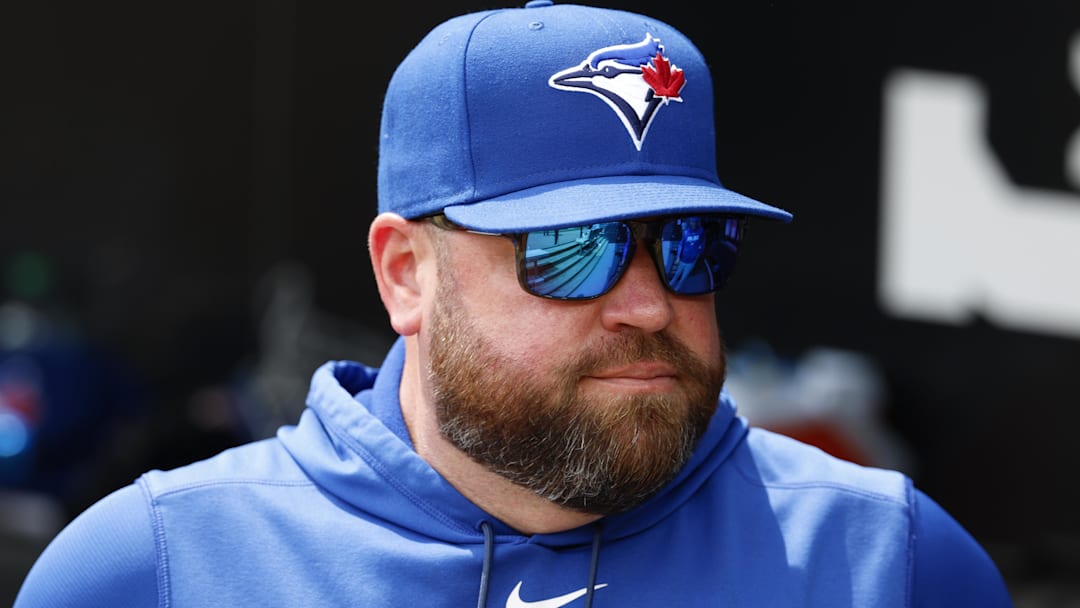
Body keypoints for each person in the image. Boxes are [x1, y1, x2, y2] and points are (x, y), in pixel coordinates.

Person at [16, 2, 1013, 606]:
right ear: (406, 271)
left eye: (689, 245)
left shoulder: (890, 561)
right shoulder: (157, 567)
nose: (647, 304)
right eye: (567, 248)